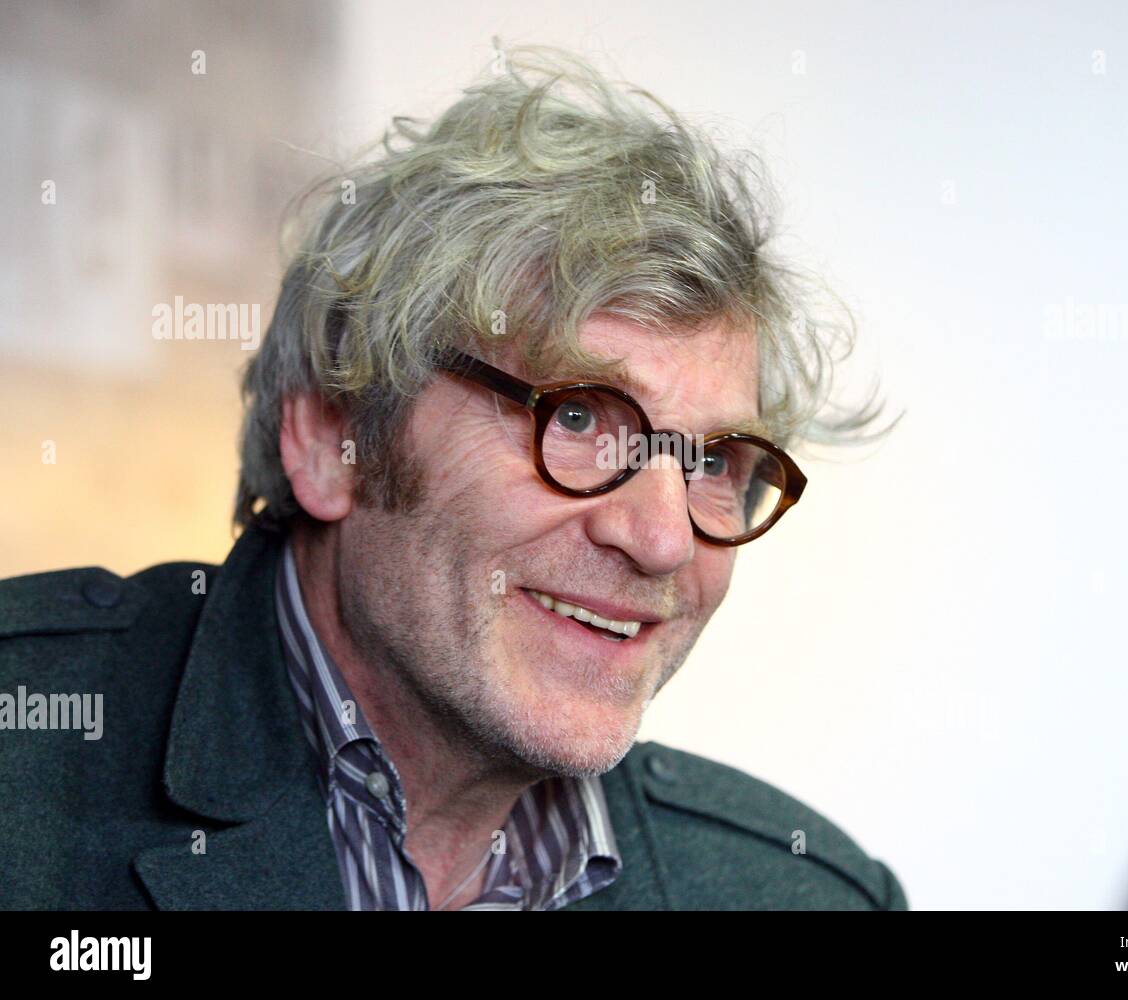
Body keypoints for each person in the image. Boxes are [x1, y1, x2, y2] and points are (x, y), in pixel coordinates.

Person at [0, 45, 905, 910]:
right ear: (332, 434)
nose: (663, 538)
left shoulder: (801, 892)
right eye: (581, 417)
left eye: (710, 460)